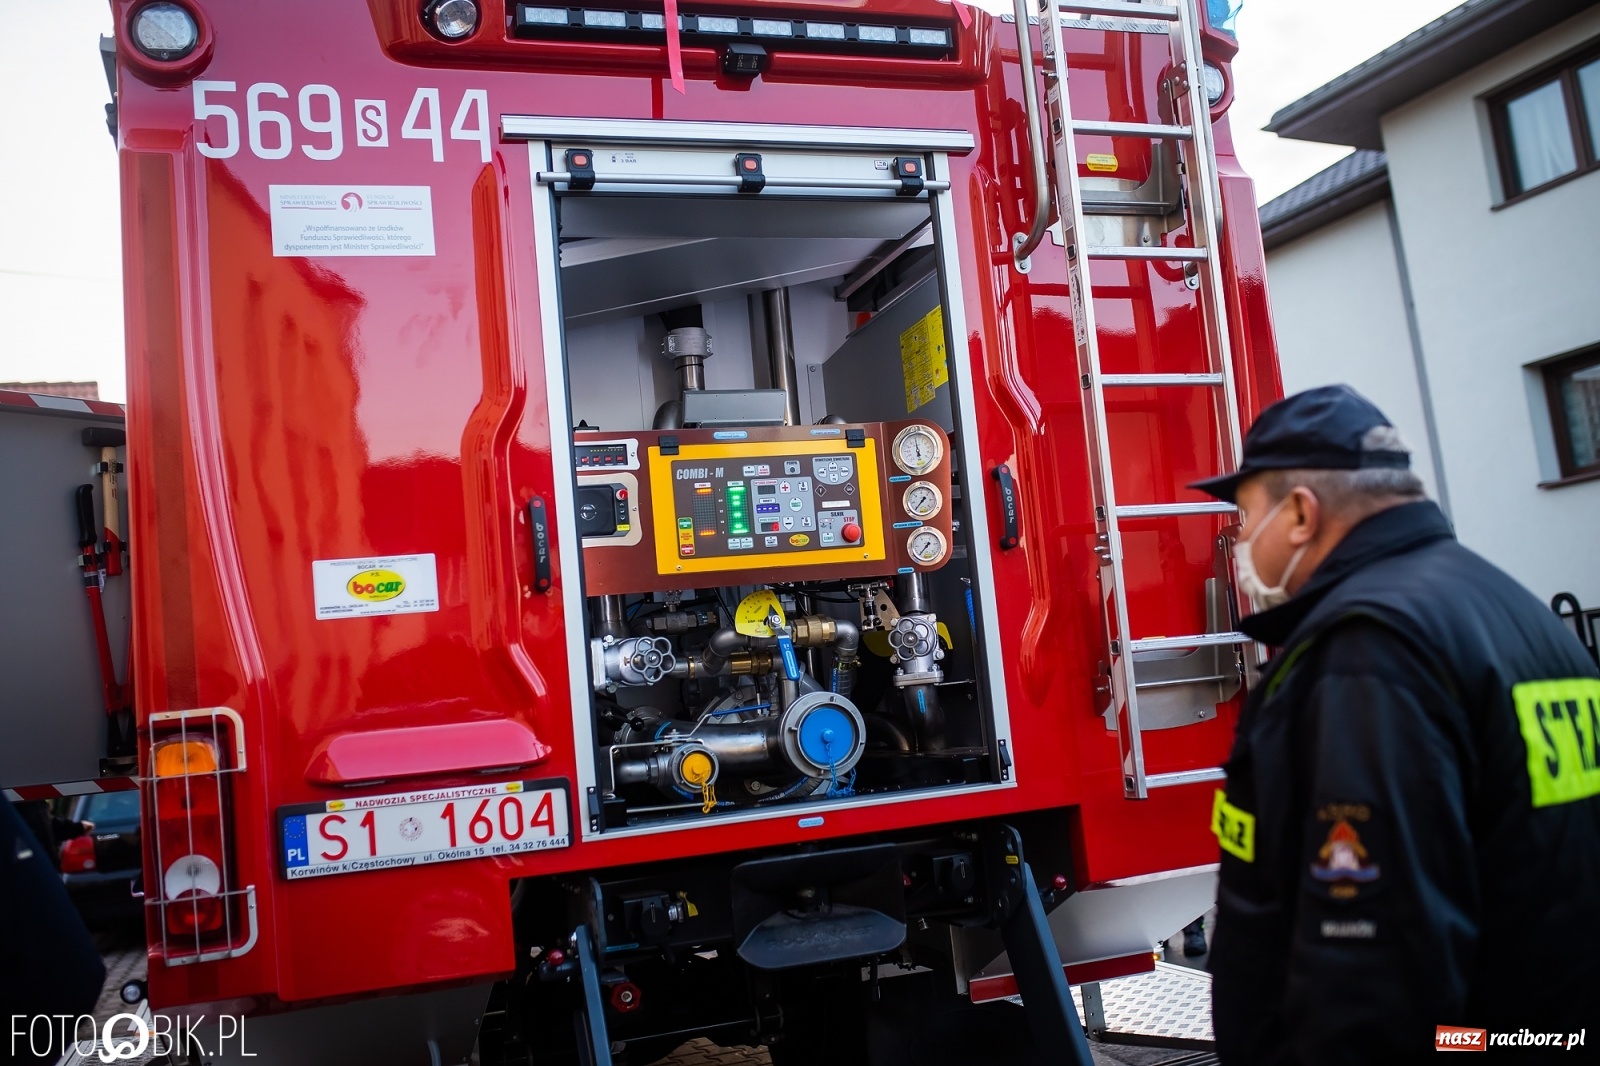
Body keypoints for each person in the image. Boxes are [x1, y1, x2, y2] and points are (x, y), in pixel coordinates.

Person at [1189, 385, 1600, 1061]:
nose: (1238, 542)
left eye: (1244, 514)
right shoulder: (1512, 611)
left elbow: (1369, 966)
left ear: (1299, 513)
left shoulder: (1368, 653)